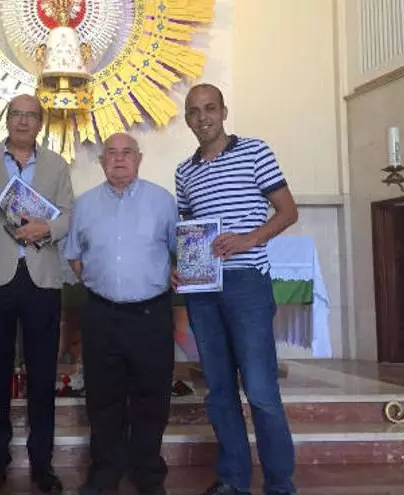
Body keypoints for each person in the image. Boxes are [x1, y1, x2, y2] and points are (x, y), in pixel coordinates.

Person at [175, 83, 299, 495]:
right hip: (202, 289)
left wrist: (249, 239)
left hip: (246, 282)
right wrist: (182, 267)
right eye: (194, 111)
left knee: (260, 390)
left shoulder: (255, 152)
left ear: (224, 112)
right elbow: (189, 230)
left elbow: (288, 211)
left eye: (210, 108)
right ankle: (233, 478)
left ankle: (279, 484)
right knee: (219, 389)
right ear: (187, 119)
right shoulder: (184, 172)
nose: (202, 118)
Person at [0, 94, 74, 494]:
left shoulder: (57, 165)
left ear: (41, 123)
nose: (23, 121)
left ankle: (42, 464)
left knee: (43, 377)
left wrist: (47, 228)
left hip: (42, 278)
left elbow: (67, 215)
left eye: (31, 116)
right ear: (7, 119)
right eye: (16, 114)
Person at [63, 132, 179, 495]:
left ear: (139, 159)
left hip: (150, 315)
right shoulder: (85, 205)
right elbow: (74, 256)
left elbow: (180, 252)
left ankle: (147, 474)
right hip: (101, 315)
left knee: (152, 398)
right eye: (111, 153)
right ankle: (104, 474)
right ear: (101, 162)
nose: (118, 158)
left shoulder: (163, 202)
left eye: (127, 152)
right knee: (103, 399)